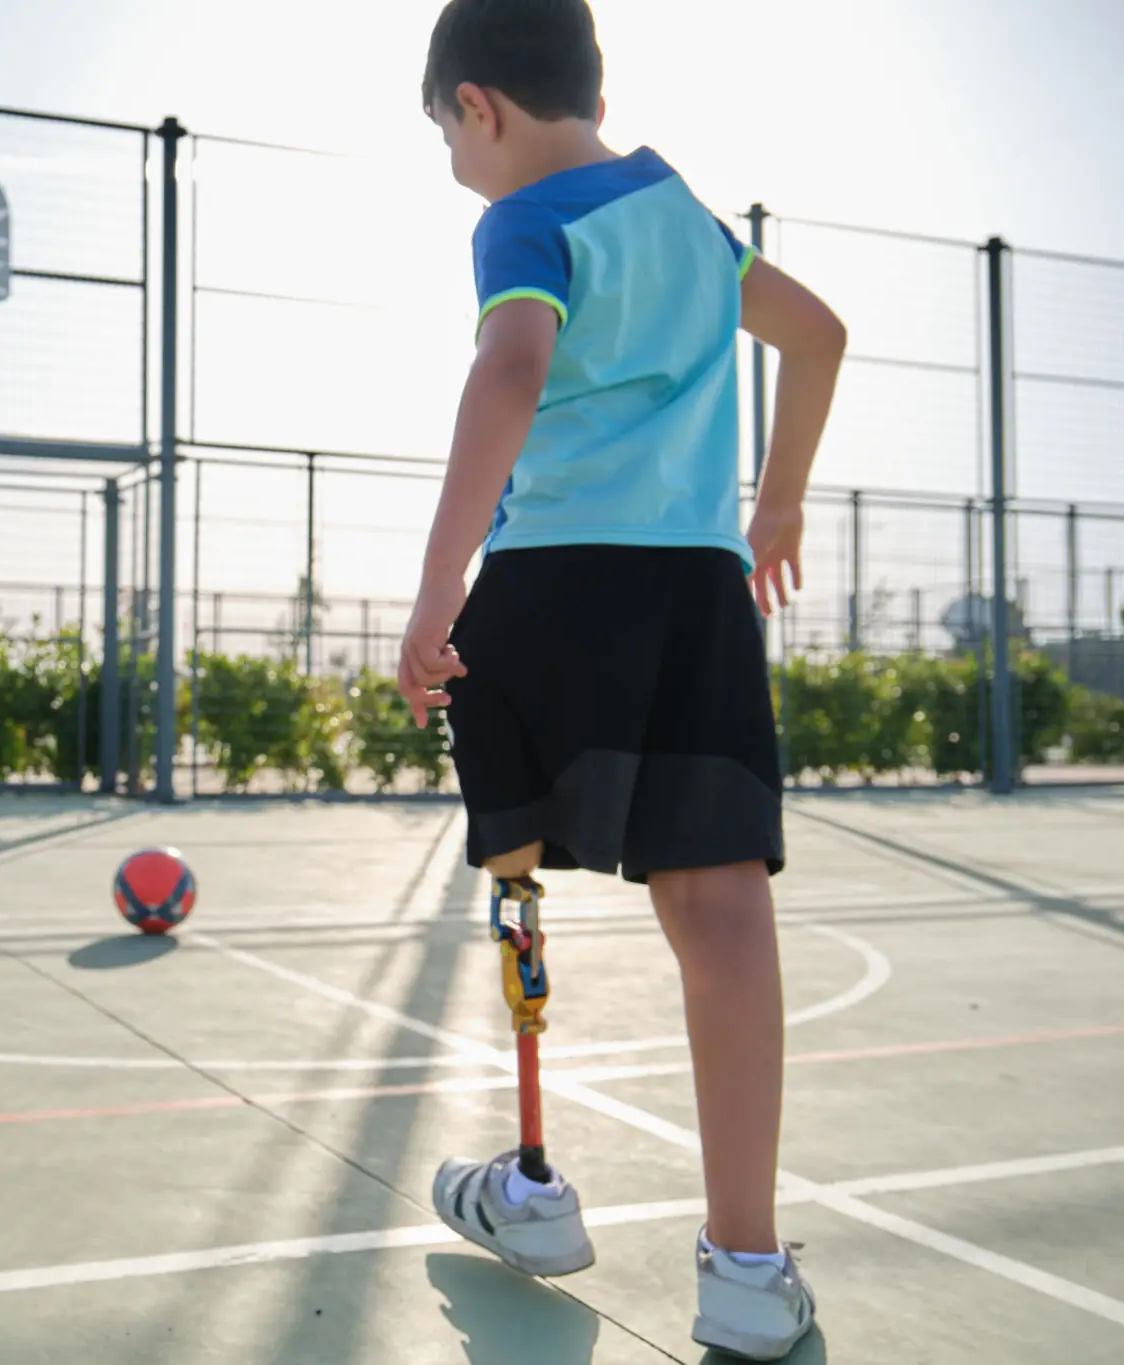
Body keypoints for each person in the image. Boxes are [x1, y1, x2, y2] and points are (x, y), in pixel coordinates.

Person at [396, 1, 846, 1358]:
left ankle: (533, 1179)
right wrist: (778, 505)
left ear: (481, 105)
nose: (456, 168)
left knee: (521, 860)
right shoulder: (693, 225)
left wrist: (435, 587)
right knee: (721, 911)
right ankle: (748, 1267)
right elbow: (820, 335)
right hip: (696, 592)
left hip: (553, 581)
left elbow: (513, 364)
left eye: (446, 138)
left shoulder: (527, 216)